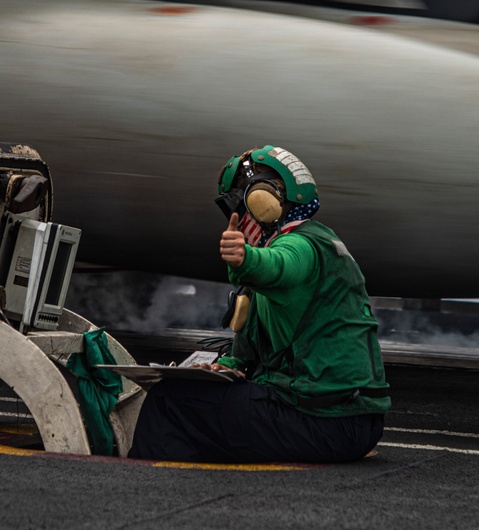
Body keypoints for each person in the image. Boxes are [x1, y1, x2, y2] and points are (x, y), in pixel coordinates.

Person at [128, 145, 390, 463]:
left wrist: (244, 258)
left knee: (169, 401)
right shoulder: (324, 240)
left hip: (322, 420)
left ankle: (139, 490)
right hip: (354, 421)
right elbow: (255, 354)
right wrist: (224, 367)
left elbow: (278, 264)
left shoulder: (299, 245)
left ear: (261, 201)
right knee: (210, 405)